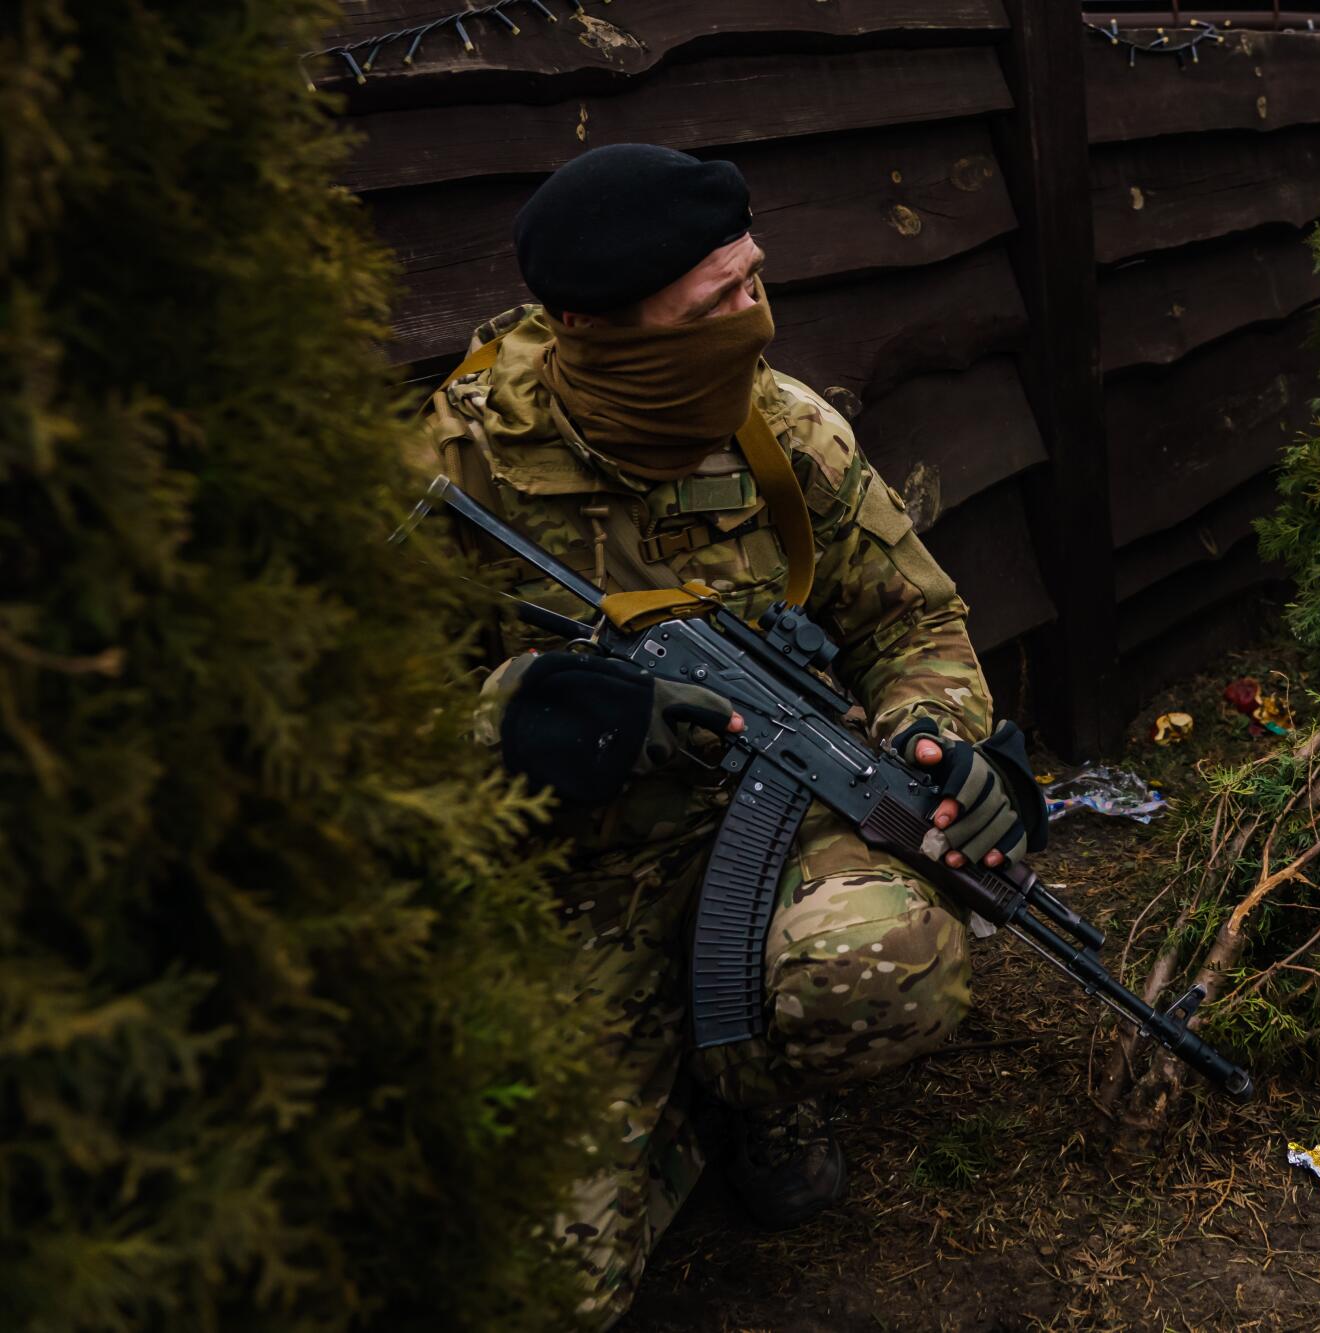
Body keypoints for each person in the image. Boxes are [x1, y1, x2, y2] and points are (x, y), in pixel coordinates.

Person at [412, 144, 1045, 1326]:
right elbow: (345, 727)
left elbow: (914, 619)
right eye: (716, 301)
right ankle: (676, 1107)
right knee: (537, 1287)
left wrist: (937, 738)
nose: (754, 317)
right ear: (592, 324)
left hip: (769, 823)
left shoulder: (783, 433)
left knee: (886, 964)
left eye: (754, 278)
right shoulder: (456, 471)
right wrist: (518, 716)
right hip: (568, 877)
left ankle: (748, 1082)